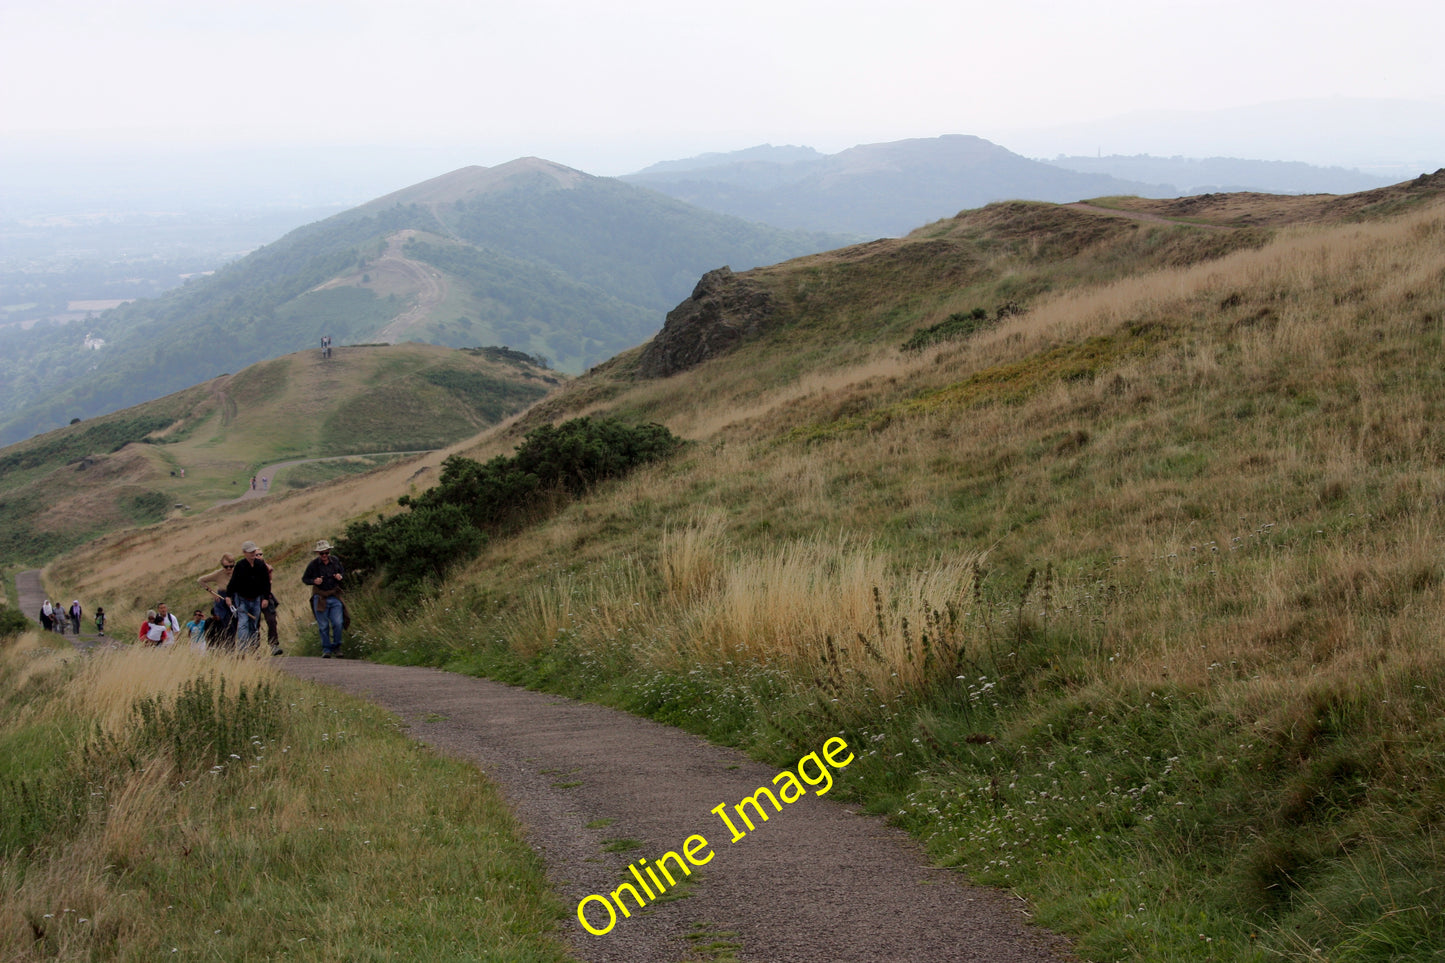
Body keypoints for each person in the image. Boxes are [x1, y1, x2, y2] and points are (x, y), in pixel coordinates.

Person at [301, 539, 345, 658]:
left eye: (326, 553)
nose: (324, 556)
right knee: (323, 625)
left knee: (338, 623)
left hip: (334, 596)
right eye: (322, 553)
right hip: (320, 598)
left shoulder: (335, 561)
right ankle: (326, 649)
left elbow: (342, 572)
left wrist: (339, 576)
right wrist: (314, 581)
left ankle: (337, 647)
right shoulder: (313, 565)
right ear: (318, 554)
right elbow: (305, 579)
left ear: (329, 552)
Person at [225, 541, 271, 652]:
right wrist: (228, 596)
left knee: (254, 625)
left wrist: (265, 598)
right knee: (243, 624)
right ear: (244, 553)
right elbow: (233, 582)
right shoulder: (240, 566)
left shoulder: (260, 565)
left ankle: (253, 649)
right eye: (250, 552)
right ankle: (242, 650)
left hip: (256, 599)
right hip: (242, 600)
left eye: (254, 551)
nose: (252, 554)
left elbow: (266, 582)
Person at [255, 548, 283, 656]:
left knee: (271, 620)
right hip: (253, 597)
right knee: (255, 623)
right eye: (256, 554)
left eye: (260, 554)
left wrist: (266, 598)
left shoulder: (267, 567)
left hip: (266, 595)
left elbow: (269, 582)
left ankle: (273, 645)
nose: (258, 556)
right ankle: (255, 648)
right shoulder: (249, 568)